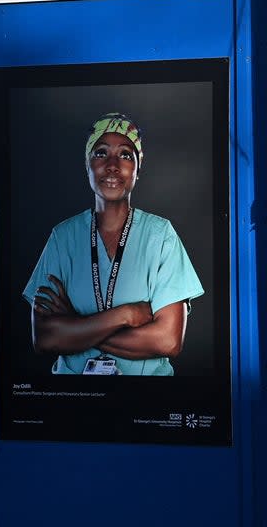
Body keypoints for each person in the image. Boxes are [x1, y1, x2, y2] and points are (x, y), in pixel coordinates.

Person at [23, 113, 203, 376]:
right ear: (87, 166)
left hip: (146, 399)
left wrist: (76, 326)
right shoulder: (63, 237)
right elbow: (45, 339)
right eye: (100, 153)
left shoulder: (160, 236)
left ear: (138, 169)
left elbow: (168, 341)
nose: (112, 165)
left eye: (126, 155)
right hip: (74, 399)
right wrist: (126, 315)